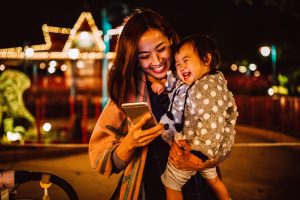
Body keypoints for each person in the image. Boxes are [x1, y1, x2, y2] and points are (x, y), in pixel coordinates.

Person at [89, 8, 220, 200]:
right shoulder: (128, 95)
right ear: (134, 57)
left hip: (201, 189)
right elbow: (101, 157)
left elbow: (220, 136)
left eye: (161, 49)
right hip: (151, 191)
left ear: (171, 40)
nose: (156, 61)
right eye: (144, 56)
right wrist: (129, 143)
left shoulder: (196, 79)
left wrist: (202, 162)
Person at [151, 34, 238, 200]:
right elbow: (178, 87)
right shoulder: (197, 83)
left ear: (206, 59)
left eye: (186, 60)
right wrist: (163, 85)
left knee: (171, 182)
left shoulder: (209, 89)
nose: (181, 67)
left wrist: (198, 154)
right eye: (177, 64)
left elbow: (212, 123)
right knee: (213, 180)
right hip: (203, 148)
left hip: (197, 148)